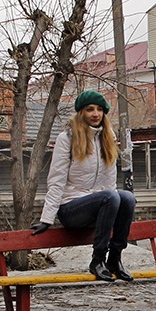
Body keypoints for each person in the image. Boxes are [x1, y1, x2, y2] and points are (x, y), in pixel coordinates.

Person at [31, 91, 137, 282]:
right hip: (71, 209)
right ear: (81, 113)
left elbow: (109, 182)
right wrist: (47, 218)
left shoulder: (107, 139)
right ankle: (97, 260)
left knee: (127, 197)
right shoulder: (67, 138)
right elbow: (56, 180)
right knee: (110, 196)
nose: (95, 114)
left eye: (99, 110)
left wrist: (114, 212)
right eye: (90, 109)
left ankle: (115, 258)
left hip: (99, 207)